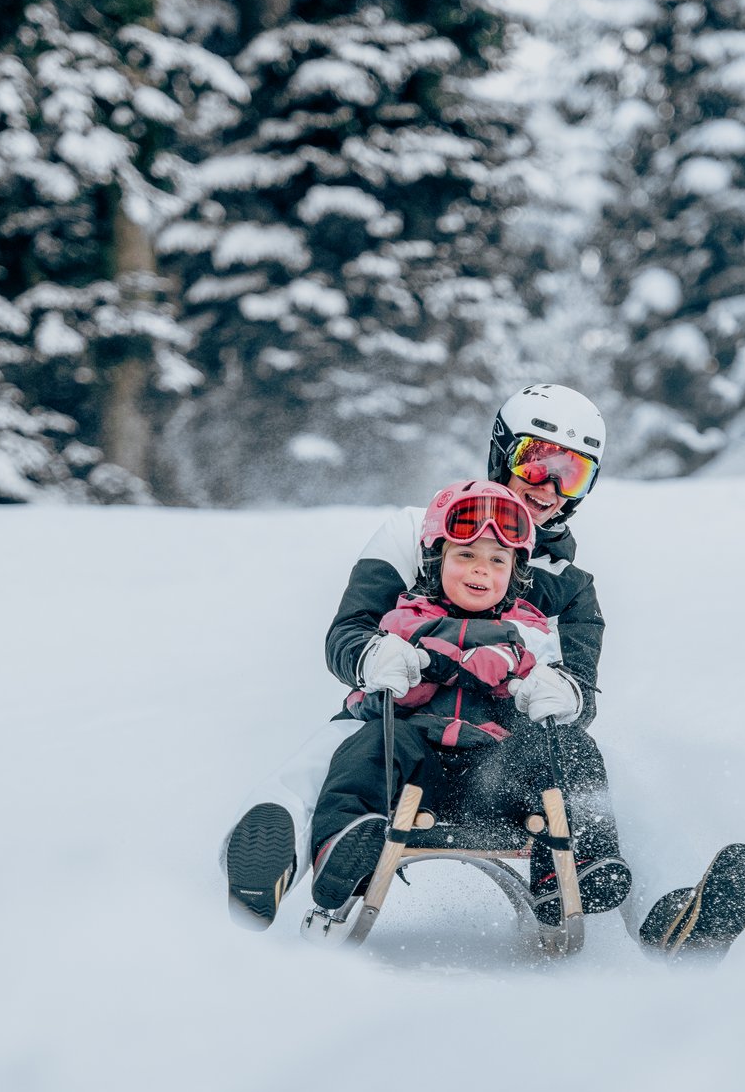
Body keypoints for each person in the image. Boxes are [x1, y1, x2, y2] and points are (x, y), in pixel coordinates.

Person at [223, 384, 626, 929]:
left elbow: (581, 695)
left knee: (586, 767)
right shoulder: (418, 530)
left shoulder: (570, 586)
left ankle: (652, 906)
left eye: (572, 473)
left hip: (504, 751)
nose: (550, 488)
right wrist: (373, 658)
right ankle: (279, 860)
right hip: (402, 723)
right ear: (502, 452)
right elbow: (348, 632)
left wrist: (567, 694)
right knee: (344, 752)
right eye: (536, 465)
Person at [307, 478, 624, 923]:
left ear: (516, 573)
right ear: (437, 560)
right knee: (368, 747)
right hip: (418, 774)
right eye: (465, 555)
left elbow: (571, 691)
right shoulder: (402, 620)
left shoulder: (531, 632)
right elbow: (369, 691)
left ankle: (579, 866)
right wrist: (390, 667)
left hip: (497, 778)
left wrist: (558, 692)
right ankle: (343, 849)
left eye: (498, 560)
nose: (481, 570)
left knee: (572, 750)